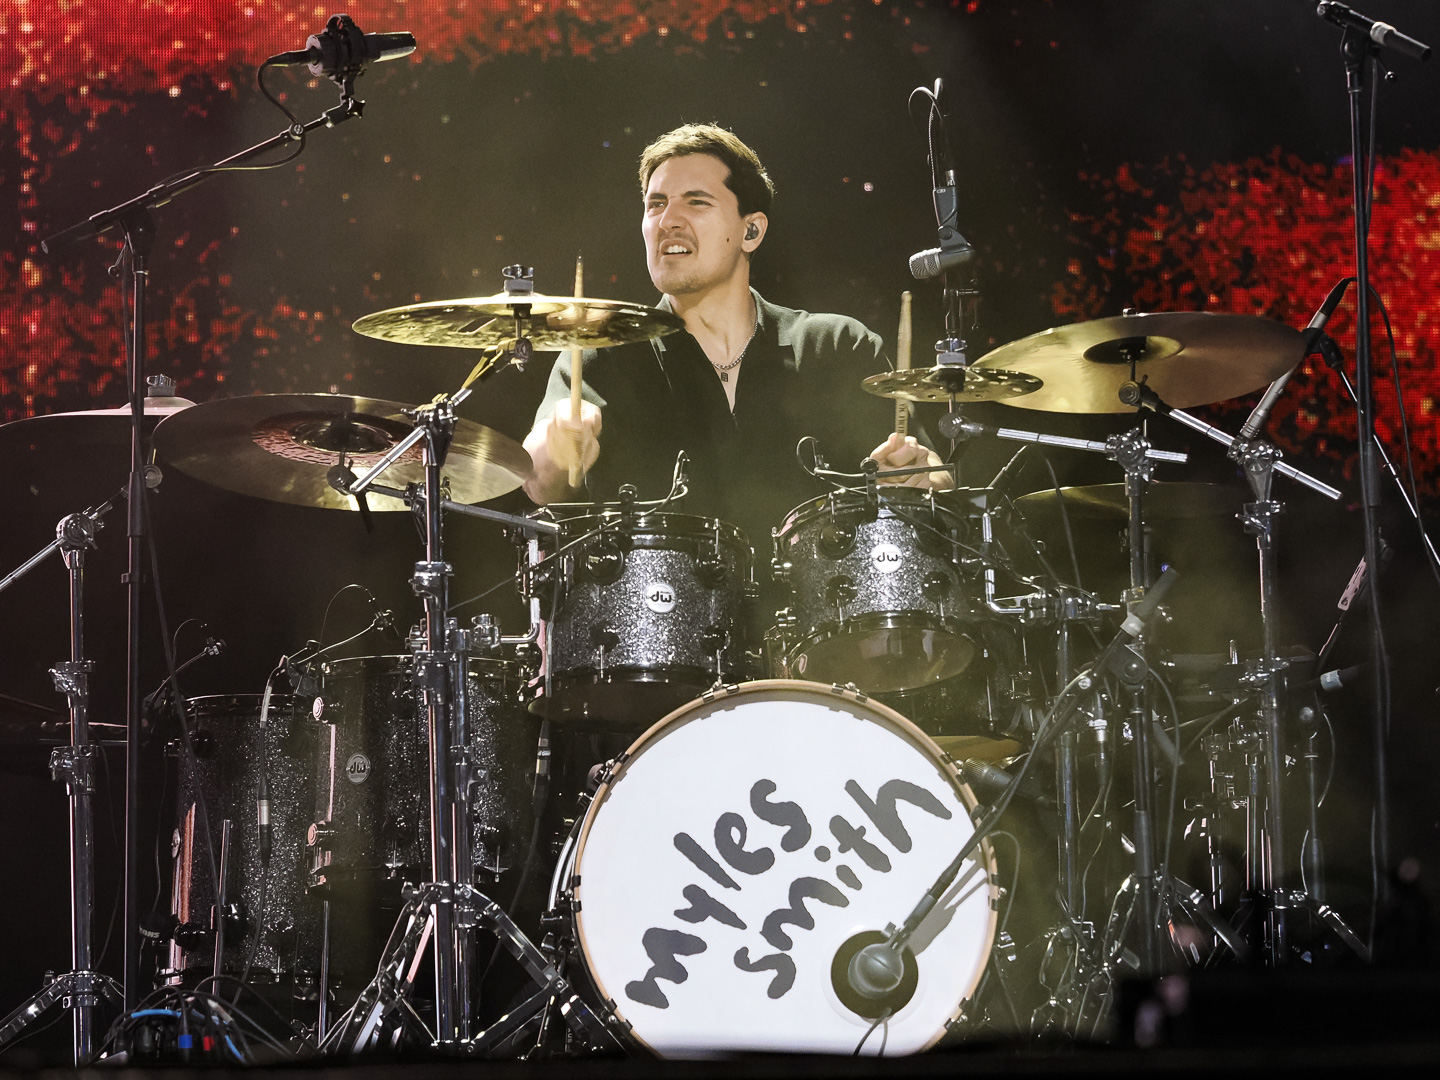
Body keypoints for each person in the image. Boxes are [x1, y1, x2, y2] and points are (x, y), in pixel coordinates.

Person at [522, 123, 949, 551]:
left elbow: (937, 477)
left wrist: (919, 474)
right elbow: (537, 481)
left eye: (696, 202)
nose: (668, 221)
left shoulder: (836, 344)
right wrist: (559, 446)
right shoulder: (604, 350)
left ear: (751, 232)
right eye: (656, 204)